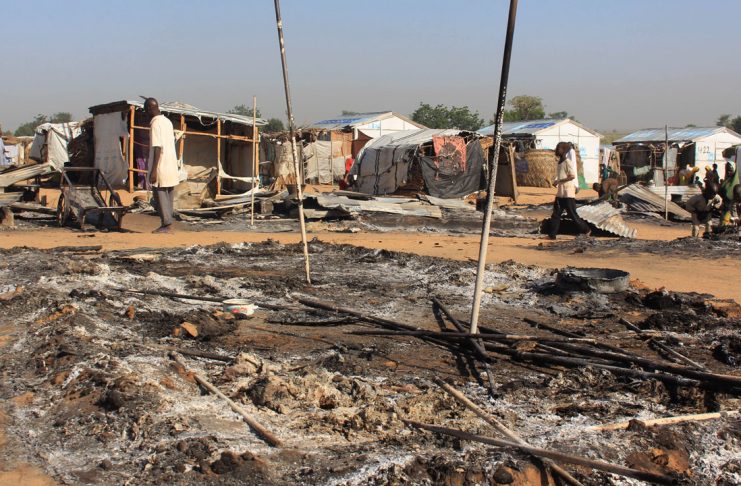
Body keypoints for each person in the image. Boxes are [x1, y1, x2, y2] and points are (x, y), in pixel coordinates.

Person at [145, 98, 179, 234]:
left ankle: (166, 224)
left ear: (149, 108)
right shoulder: (167, 122)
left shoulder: (155, 124)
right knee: (168, 194)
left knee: (160, 195)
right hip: (171, 164)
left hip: (161, 165)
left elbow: (157, 147)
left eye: (146, 110)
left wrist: (154, 170)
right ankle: (168, 222)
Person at [548, 142, 590, 239]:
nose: (556, 150)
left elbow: (572, 176)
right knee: (556, 214)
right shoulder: (559, 163)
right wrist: (557, 181)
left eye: (558, 148)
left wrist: (559, 181)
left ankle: (586, 230)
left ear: (564, 150)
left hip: (568, 193)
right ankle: (552, 235)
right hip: (560, 193)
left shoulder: (568, 162)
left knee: (572, 214)